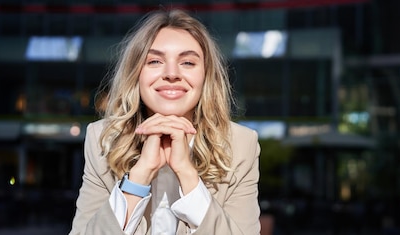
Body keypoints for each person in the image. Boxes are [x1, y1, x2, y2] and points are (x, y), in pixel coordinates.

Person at [69, 8, 261, 235]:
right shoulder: (102, 139)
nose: (171, 73)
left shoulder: (241, 145)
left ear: (205, 76)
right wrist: (139, 177)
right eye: (155, 61)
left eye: (188, 63)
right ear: (136, 73)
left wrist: (187, 175)